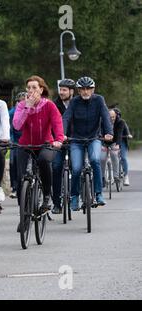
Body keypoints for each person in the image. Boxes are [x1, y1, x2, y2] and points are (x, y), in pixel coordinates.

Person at [13, 76, 63, 215]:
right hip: (26, 144)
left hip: (45, 143)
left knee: (43, 160)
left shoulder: (49, 105)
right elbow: (17, 126)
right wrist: (27, 108)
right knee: (21, 178)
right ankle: (24, 212)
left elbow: (57, 123)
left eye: (34, 87)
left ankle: (47, 197)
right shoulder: (22, 105)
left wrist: (58, 139)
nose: (31, 91)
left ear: (41, 89)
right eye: (28, 88)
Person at [62, 76, 113, 211]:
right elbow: (66, 117)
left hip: (93, 138)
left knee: (95, 160)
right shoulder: (74, 102)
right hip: (76, 140)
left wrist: (109, 132)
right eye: (83, 89)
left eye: (88, 89)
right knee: (77, 168)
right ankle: (74, 196)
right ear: (78, 90)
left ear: (93, 89)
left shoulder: (99, 100)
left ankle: (98, 194)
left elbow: (106, 116)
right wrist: (62, 133)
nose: (85, 92)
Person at [51, 78, 76, 214]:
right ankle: (56, 203)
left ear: (71, 91)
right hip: (58, 141)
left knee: (77, 167)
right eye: (60, 89)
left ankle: (76, 196)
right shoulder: (54, 104)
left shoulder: (78, 103)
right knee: (56, 167)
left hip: (75, 140)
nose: (61, 92)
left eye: (64, 90)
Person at [8, 92, 26, 198]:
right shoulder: (11, 113)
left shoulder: (30, 110)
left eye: (24, 100)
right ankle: (14, 187)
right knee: (13, 161)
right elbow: (9, 129)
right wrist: (11, 140)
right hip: (16, 141)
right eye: (20, 101)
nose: (22, 103)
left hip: (28, 141)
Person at [100, 109, 123, 186]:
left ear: (116, 116)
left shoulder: (120, 122)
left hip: (114, 142)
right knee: (102, 158)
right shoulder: (102, 122)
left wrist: (118, 145)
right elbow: (100, 133)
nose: (112, 119)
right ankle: (102, 177)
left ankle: (116, 176)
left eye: (113, 117)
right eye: (110, 117)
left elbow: (119, 134)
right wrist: (102, 144)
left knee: (114, 154)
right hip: (104, 142)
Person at [114, 107, 132, 186]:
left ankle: (126, 176)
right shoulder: (109, 122)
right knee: (111, 157)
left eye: (117, 115)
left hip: (122, 141)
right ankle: (111, 176)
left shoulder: (122, 122)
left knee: (123, 157)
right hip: (112, 141)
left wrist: (128, 135)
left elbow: (127, 130)